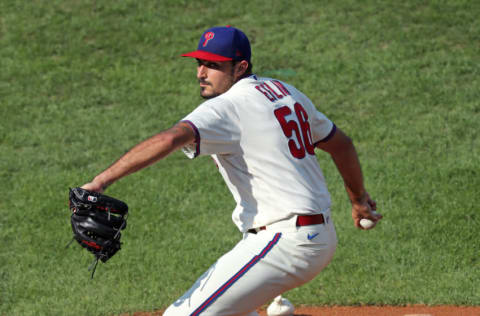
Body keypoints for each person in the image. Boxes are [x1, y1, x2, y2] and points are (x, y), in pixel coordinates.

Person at [81, 26, 382, 316]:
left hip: (286, 241)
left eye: (213, 65)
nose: (201, 73)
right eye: (200, 63)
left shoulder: (227, 106)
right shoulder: (285, 92)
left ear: (240, 67)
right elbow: (342, 145)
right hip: (317, 236)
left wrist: (101, 181)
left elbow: (170, 139)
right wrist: (358, 200)